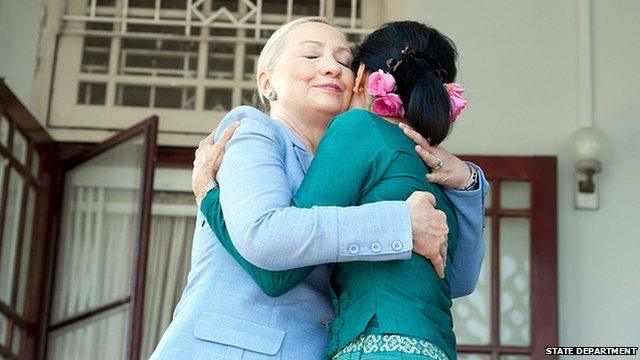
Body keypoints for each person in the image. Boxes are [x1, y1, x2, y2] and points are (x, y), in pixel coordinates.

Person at [151, 17, 487, 360]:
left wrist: (468, 182)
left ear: (361, 79)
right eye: (311, 56)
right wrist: (401, 224)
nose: (331, 68)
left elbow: (451, 275)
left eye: (344, 61)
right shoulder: (254, 131)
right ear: (267, 82)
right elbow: (264, 238)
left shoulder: (359, 156)